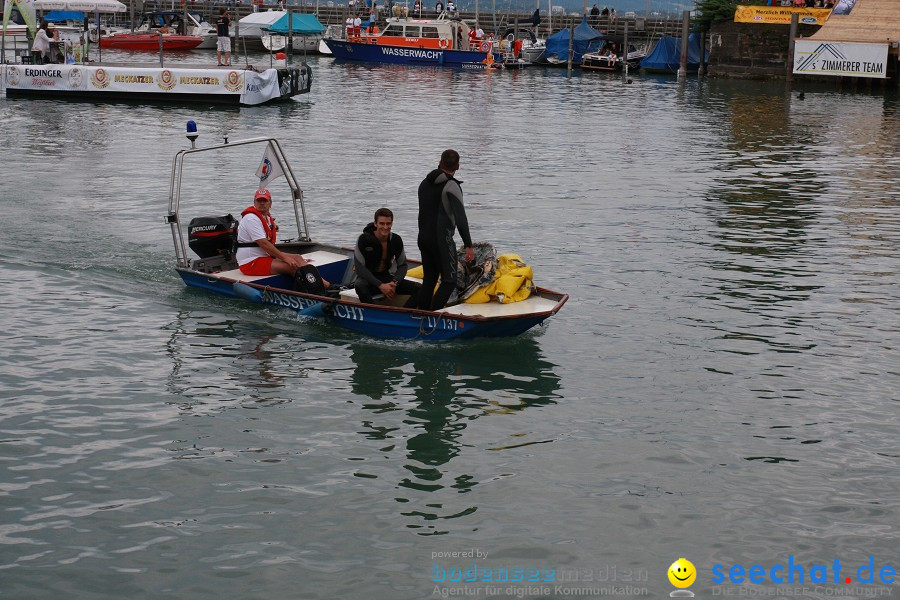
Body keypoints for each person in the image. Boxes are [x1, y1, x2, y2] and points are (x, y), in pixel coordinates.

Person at [416, 149, 475, 311]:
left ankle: (421, 313)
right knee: (449, 281)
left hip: (423, 239)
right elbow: (461, 218)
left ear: (440, 162)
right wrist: (468, 245)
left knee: (430, 279)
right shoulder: (452, 186)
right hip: (441, 240)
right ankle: (432, 317)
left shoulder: (424, 183)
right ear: (458, 166)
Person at [236, 189, 329, 289]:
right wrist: (285, 258)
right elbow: (264, 244)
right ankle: (315, 291)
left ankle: (327, 286)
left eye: (265, 200)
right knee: (292, 266)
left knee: (297, 257)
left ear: (270, 203)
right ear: (254, 202)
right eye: (259, 201)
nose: (262, 203)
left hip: (263, 256)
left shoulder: (266, 218)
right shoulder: (251, 218)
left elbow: (268, 232)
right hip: (250, 262)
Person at [353, 208, 422, 306]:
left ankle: (404, 314)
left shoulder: (396, 240)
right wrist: (380, 285)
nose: (385, 227)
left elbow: (402, 265)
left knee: (420, 288)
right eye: (382, 223)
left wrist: (395, 283)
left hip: (386, 277)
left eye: (388, 224)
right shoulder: (363, 239)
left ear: (391, 224)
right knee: (359, 285)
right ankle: (373, 313)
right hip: (368, 280)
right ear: (375, 224)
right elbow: (359, 268)